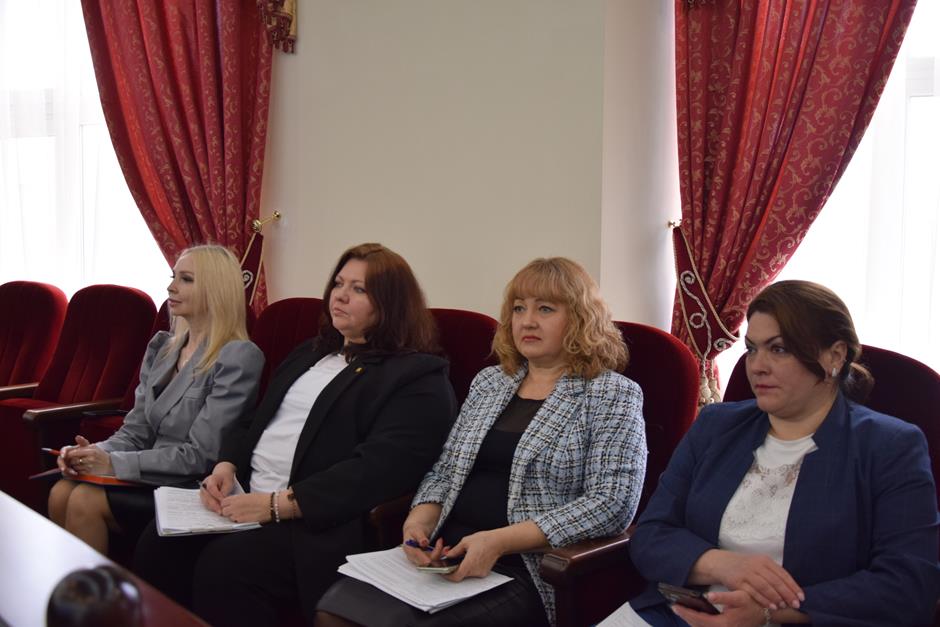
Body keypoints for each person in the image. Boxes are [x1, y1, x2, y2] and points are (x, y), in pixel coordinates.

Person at [133, 242, 457, 625]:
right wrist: (226, 465)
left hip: (312, 522)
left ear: (390, 305)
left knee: (226, 566)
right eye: (339, 283)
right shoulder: (310, 353)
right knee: (158, 542)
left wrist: (276, 506)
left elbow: (376, 470)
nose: (340, 295)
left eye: (359, 289)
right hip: (244, 499)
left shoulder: (417, 377)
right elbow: (254, 421)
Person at [315, 257, 648, 627]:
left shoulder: (611, 393)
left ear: (581, 318)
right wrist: (418, 524)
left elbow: (612, 504)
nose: (527, 321)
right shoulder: (491, 382)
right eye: (518, 308)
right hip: (446, 551)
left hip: (525, 565)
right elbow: (446, 469)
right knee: (334, 609)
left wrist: (499, 541)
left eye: (545, 309)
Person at [608, 280, 940, 626]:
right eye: (752, 349)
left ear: (835, 356)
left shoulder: (890, 446)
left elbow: (908, 587)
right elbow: (651, 534)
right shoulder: (715, 425)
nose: (757, 366)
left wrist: (774, 612)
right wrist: (722, 564)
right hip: (679, 614)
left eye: (778, 349)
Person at [47, 244, 264, 554]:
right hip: (144, 473)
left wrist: (113, 464)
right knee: (61, 490)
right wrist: (92, 453)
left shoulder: (238, 355)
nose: (171, 287)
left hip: (190, 485)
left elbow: (201, 455)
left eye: (186, 279)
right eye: (173, 277)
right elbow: (135, 431)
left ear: (216, 290)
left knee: (83, 499)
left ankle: (99, 587)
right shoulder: (162, 347)